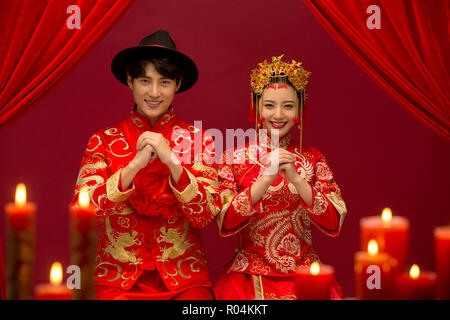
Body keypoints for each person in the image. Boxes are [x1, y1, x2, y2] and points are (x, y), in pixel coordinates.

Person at [71, 30, 221, 300]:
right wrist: (132, 167)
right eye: (144, 81)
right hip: (115, 281)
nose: (154, 93)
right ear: (130, 81)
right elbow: (82, 212)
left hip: (185, 281)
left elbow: (205, 214)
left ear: (177, 84)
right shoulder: (103, 141)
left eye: (164, 82)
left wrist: (172, 160)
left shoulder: (200, 140)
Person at [213, 55, 347, 300]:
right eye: (269, 105)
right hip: (248, 276)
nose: (278, 114)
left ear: (299, 109)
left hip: (305, 274)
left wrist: (297, 179)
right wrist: (265, 179)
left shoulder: (313, 157)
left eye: (287, 106)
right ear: (256, 107)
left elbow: (334, 221)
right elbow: (225, 222)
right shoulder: (233, 157)